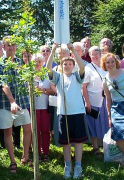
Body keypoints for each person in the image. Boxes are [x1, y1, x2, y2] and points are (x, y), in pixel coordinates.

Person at [47, 43, 88, 179]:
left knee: (78, 141)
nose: (67, 66)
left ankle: (78, 165)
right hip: (63, 114)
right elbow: (48, 68)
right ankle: (67, 166)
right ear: (61, 66)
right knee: (66, 142)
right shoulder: (58, 77)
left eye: (70, 64)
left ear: (73, 65)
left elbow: (82, 66)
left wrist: (72, 51)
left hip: (77, 113)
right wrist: (53, 50)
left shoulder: (77, 76)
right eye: (65, 64)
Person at [0, 36, 32, 173]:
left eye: (13, 45)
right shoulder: (0, 64)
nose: (11, 47)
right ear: (4, 47)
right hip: (6, 103)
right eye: (8, 45)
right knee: (8, 131)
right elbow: (3, 84)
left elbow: (26, 79)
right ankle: (12, 161)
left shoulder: (20, 62)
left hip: (22, 101)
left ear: (16, 47)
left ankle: (25, 156)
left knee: (27, 128)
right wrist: (12, 102)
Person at [82, 46, 109, 157]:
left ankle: (107, 146)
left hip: (106, 100)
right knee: (93, 124)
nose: (94, 56)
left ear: (100, 54)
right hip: (93, 101)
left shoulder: (105, 66)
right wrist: (87, 102)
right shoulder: (88, 68)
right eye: (92, 54)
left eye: (96, 54)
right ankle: (95, 147)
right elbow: (83, 87)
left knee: (106, 123)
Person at [32, 53, 54, 162]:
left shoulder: (47, 74)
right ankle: (37, 152)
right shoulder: (29, 75)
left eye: (39, 61)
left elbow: (54, 90)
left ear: (43, 62)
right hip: (33, 107)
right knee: (36, 130)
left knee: (45, 130)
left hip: (45, 106)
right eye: (35, 61)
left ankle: (46, 152)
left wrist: (42, 90)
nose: (37, 63)